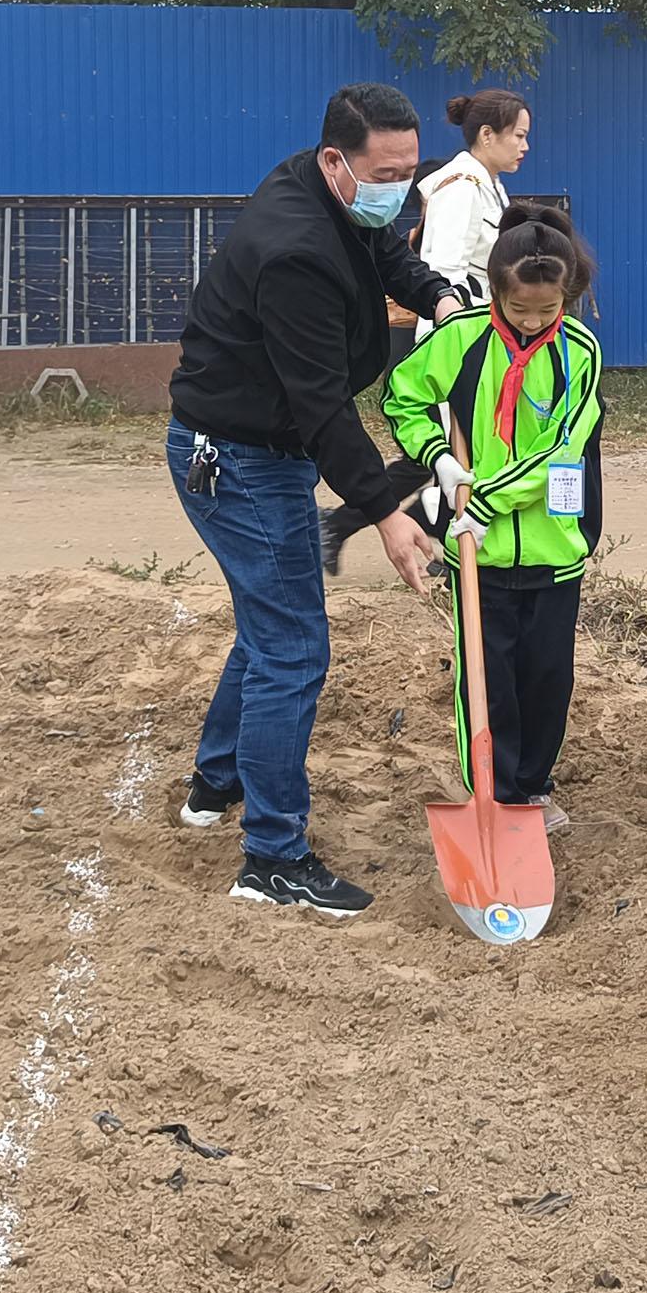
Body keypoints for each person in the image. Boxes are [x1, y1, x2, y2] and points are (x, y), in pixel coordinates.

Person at [169, 83, 464, 918]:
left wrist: (438, 292)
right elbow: (322, 407)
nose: (400, 190)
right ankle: (272, 859)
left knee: (271, 627)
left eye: (412, 172)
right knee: (294, 649)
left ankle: (213, 783)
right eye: (387, 172)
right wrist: (386, 513)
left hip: (265, 446)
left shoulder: (328, 191)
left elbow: (385, 253)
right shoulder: (294, 245)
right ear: (339, 161)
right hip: (239, 459)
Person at [384, 205, 604, 834]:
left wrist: (485, 501)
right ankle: (497, 791)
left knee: (547, 676)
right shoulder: (460, 340)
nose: (534, 322)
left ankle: (533, 785)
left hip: (552, 547)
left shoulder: (579, 352)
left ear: (568, 295)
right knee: (485, 674)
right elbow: (402, 399)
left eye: (547, 309)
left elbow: (562, 445)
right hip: (474, 551)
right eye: (520, 309)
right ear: (496, 290)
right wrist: (439, 462)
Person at [416, 90, 531, 312]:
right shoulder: (461, 185)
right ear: (486, 134)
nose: (525, 146)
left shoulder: (491, 184)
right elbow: (445, 273)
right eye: (519, 135)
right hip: (461, 329)